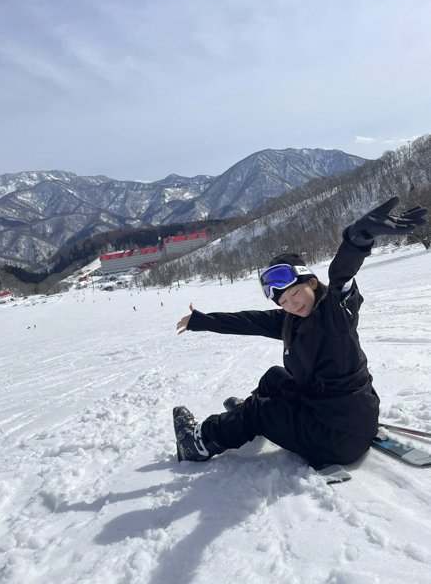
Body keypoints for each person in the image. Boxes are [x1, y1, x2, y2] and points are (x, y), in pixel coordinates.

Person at [174, 197, 428, 468]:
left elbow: (342, 278)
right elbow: (248, 321)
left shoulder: (334, 316)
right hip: (329, 412)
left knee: (260, 410)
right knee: (274, 377)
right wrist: (201, 320)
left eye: (295, 293)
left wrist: (357, 240)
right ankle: (245, 417)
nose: (292, 304)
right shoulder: (292, 320)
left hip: (338, 437)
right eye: (283, 301)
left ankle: (198, 443)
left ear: (313, 283)